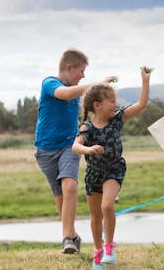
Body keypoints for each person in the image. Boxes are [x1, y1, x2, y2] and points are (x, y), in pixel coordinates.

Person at [34, 48, 116, 254]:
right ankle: (72, 236)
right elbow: (66, 94)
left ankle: (66, 240)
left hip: (69, 145)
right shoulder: (50, 83)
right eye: (82, 71)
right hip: (45, 150)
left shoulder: (76, 91)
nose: (83, 76)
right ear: (69, 67)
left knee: (70, 186)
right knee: (60, 197)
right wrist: (98, 84)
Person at [72, 66, 150, 269]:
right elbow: (75, 146)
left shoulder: (117, 120)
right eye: (111, 101)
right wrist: (88, 151)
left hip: (114, 170)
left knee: (107, 206)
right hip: (93, 174)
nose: (115, 105)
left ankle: (109, 247)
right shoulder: (86, 127)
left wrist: (145, 81)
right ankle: (97, 251)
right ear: (97, 106)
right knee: (96, 217)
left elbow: (141, 104)